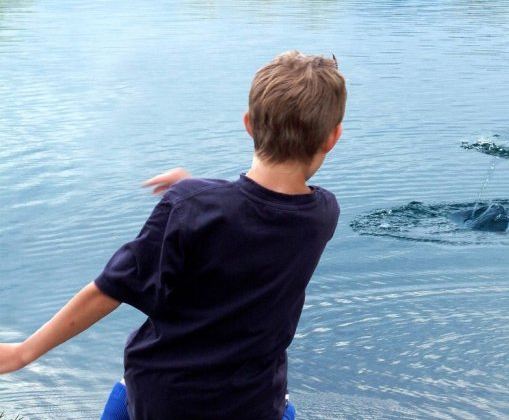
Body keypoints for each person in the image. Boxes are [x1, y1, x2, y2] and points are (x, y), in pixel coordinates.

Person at [0, 51, 346, 419]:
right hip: (255, 402)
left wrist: (25, 352)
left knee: (126, 389)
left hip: (165, 399)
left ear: (248, 124)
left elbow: (109, 290)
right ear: (332, 138)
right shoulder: (323, 214)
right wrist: (195, 189)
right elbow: (256, 209)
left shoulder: (189, 207)